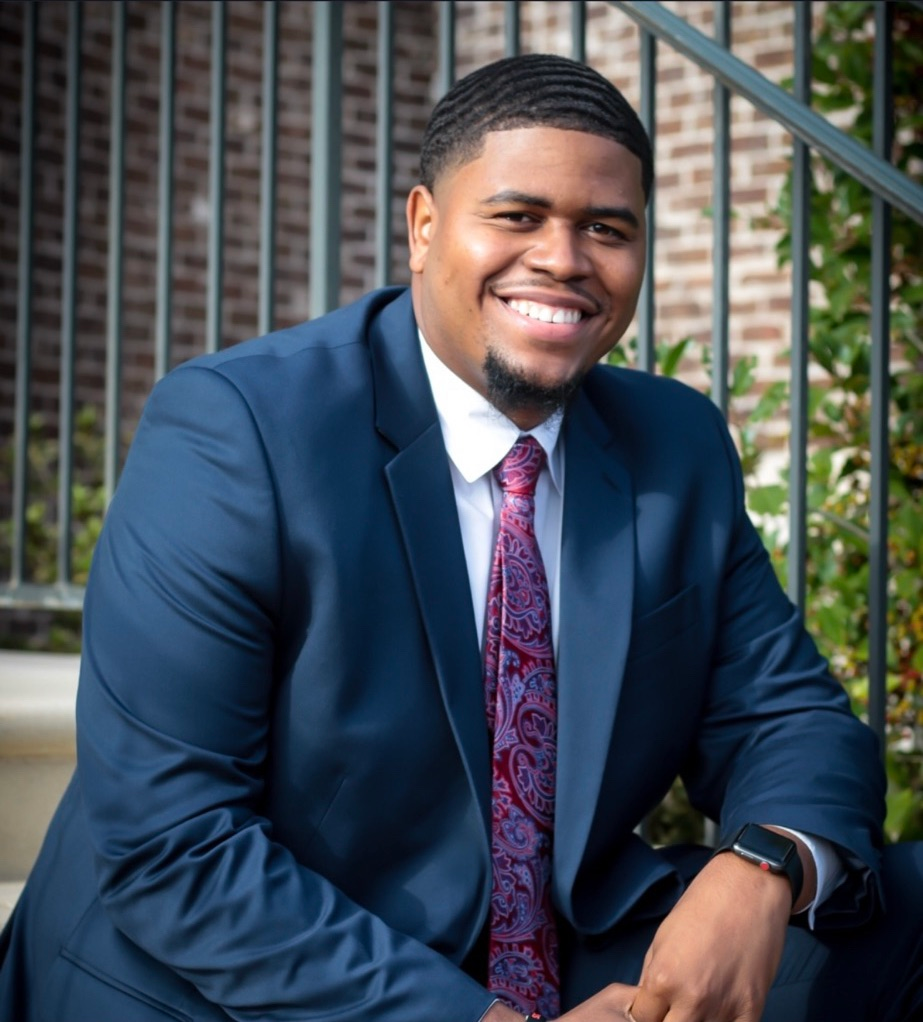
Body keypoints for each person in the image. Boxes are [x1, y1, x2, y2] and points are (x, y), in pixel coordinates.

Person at [0, 53, 920, 1022]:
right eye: (517, 216)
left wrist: (761, 865)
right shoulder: (240, 430)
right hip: (244, 969)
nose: (563, 258)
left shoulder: (672, 445)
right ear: (423, 226)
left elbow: (787, 716)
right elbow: (172, 840)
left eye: (606, 228)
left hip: (560, 948)